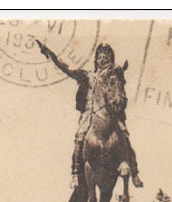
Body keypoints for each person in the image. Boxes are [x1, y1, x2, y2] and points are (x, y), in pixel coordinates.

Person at [36, 40, 132, 188]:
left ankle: (134, 171)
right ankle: (75, 173)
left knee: (124, 134)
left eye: (106, 56)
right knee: (80, 136)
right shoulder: (87, 76)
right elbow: (66, 67)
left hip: (111, 114)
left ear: (111, 59)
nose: (103, 59)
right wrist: (49, 53)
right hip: (89, 113)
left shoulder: (113, 75)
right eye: (100, 56)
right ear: (96, 59)